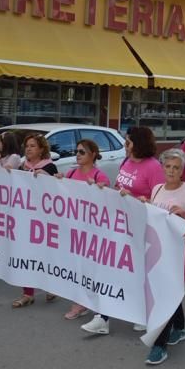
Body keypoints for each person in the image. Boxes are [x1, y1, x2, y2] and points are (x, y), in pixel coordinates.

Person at [80, 127, 165, 329]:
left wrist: (139, 200)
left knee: (139, 274)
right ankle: (103, 317)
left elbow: (160, 199)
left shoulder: (153, 167)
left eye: (128, 142)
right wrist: (104, 191)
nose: (125, 146)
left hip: (141, 228)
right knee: (110, 269)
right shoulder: (126, 162)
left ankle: (143, 313)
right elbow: (120, 189)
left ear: (139, 144)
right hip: (119, 224)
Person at [142, 148, 185, 366]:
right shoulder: (157, 189)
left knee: (165, 296)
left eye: (176, 167)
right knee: (169, 293)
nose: (171, 171)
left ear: (182, 171)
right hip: (157, 252)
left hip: (178, 253)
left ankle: (159, 345)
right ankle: (180, 328)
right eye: (167, 166)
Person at [63, 138, 112, 321]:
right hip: (72, 228)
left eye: (82, 152)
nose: (77, 155)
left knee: (88, 268)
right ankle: (82, 301)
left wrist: (99, 189)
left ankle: (83, 303)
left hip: (91, 231)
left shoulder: (99, 176)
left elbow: (107, 199)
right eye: (76, 151)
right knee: (75, 266)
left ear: (93, 154)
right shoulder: (70, 173)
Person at [10, 134, 59, 307]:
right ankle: (27, 293)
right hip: (25, 217)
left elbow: (58, 191)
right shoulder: (22, 167)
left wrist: (46, 177)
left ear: (41, 149)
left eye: (32, 146)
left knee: (45, 254)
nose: (28, 149)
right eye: (27, 146)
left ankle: (51, 286)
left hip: (43, 220)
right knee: (26, 254)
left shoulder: (50, 167)